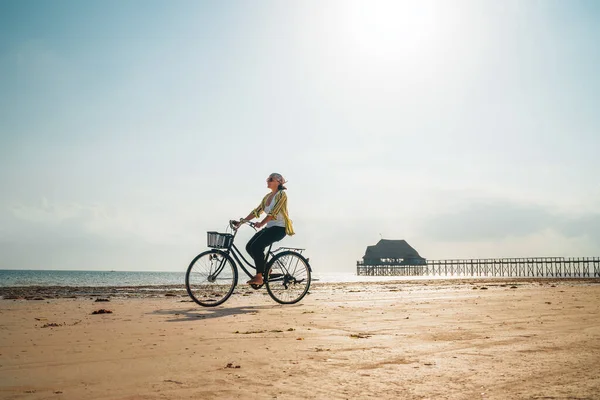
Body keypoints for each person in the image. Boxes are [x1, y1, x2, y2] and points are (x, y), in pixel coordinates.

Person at [237, 173, 294, 285]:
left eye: (270, 179)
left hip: (279, 229)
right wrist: (241, 221)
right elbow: (257, 211)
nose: (268, 181)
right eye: (268, 179)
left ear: (279, 182)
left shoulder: (282, 195)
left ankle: (259, 277)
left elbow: (274, 213)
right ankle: (267, 268)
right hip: (270, 228)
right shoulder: (267, 197)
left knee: (257, 246)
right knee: (249, 247)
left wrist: (262, 223)